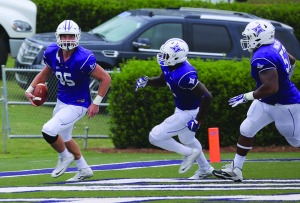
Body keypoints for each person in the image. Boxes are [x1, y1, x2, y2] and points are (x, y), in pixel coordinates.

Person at [212, 20, 299, 182]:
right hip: (266, 100)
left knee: (295, 140)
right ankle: (235, 169)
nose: (246, 39)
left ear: (261, 37)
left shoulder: (263, 56)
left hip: (285, 104)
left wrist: (247, 96)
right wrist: (286, 76)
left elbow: (272, 87)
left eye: (250, 36)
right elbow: (291, 60)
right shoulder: (274, 43)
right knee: (247, 128)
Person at [25, 20, 111, 181]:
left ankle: (64, 156)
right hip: (62, 101)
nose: (67, 39)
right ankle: (84, 169)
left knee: (49, 130)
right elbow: (44, 74)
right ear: (58, 36)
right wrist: (29, 90)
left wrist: (96, 103)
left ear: (77, 37)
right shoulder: (52, 52)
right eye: (64, 36)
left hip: (78, 103)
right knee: (65, 138)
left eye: (70, 36)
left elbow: (105, 78)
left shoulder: (83, 58)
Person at [135, 38, 214, 179]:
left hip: (189, 113)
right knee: (187, 139)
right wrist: (148, 82)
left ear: (176, 58)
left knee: (154, 136)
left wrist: (198, 120)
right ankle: (205, 168)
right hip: (181, 109)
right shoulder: (169, 65)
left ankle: (188, 153)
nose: (162, 57)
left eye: (166, 55)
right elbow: (162, 80)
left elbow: (207, 96)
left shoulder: (185, 74)